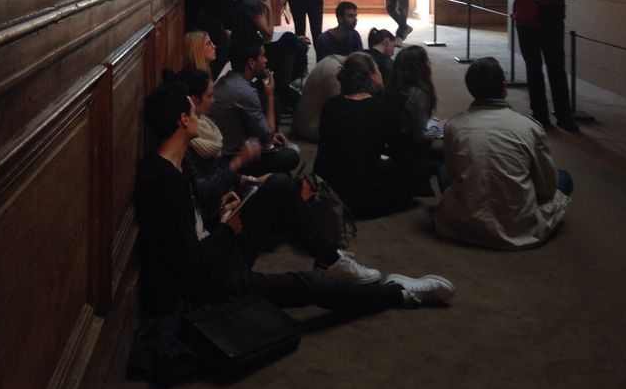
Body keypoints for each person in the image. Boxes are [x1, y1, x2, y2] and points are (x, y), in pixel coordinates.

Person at [134, 80, 455, 320]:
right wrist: (227, 229)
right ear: (182, 120)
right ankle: (397, 293)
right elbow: (191, 263)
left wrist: (220, 213)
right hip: (212, 284)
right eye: (192, 110)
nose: (198, 115)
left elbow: (193, 225)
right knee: (310, 286)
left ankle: (331, 258)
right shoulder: (163, 184)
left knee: (279, 185)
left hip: (216, 249)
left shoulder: (178, 161)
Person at [178, 67, 380, 280]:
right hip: (221, 241)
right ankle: (329, 257)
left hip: (226, 206)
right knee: (283, 178)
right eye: (210, 96)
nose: (214, 100)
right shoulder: (186, 148)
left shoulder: (204, 130)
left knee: (288, 184)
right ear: (190, 105)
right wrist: (239, 162)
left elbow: (215, 176)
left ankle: (327, 253)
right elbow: (203, 188)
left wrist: (251, 178)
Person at [433, 57, 573, 250]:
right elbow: (547, 188)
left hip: (465, 222)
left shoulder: (454, 126)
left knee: (443, 171)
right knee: (564, 178)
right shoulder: (529, 127)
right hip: (517, 227)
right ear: (503, 86)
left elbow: (456, 174)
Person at [500, 0, 581, 131]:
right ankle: (540, 116)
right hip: (526, 20)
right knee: (533, 70)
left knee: (556, 70)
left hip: (551, 20)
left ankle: (564, 116)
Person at [314, 53, 420, 217]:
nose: (381, 73)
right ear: (371, 76)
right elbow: (402, 159)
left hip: (326, 189)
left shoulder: (331, 105)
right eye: (378, 69)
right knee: (422, 169)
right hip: (361, 199)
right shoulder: (382, 110)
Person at [209, 41, 300, 176]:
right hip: (231, 158)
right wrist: (269, 95)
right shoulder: (245, 92)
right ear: (251, 63)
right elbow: (267, 138)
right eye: (262, 56)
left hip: (230, 146)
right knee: (292, 156)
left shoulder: (227, 79)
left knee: (284, 173)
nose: (266, 60)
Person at [231, 0, 308, 111]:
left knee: (291, 40)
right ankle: (284, 88)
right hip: (248, 52)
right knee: (291, 44)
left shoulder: (254, 2)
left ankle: (283, 85)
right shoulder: (251, 4)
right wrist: (270, 8)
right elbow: (268, 34)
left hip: (255, 46)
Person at [383, 45, 444, 196]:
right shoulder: (419, 94)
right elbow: (420, 137)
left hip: (393, 146)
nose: (430, 64)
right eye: (427, 62)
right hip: (410, 149)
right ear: (419, 68)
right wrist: (440, 127)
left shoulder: (394, 88)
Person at [290, 53, 346, 142]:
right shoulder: (333, 72)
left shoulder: (330, 61)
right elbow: (343, 110)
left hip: (305, 123)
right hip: (312, 127)